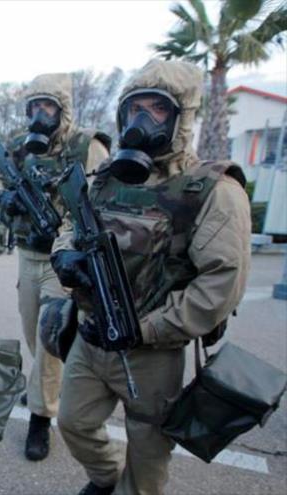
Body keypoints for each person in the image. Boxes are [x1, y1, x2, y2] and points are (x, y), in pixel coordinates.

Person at [51, 59, 251, 495]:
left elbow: (219, 286)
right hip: (89, 337)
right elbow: (71, 223)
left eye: (157, 110)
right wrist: (65, 255)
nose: (142, 120)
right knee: (73, 422)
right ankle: (105, 478)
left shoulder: (212, 190)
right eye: (134, 108)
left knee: (146, 452)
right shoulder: (105, 177)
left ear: (181, 118)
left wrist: (146, 329)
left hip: (153, 351)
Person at [0, 73, 110, 461]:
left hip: (63, 259)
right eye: (34, 107)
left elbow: (103, 191)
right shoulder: (19, 149)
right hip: (27, 255)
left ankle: (41, 417)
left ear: (63, 111)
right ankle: (44, 388)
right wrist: (5, 198)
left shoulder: (86, 146)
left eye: (48, 107)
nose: (41, 114)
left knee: (48, 339)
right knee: (31, 331)